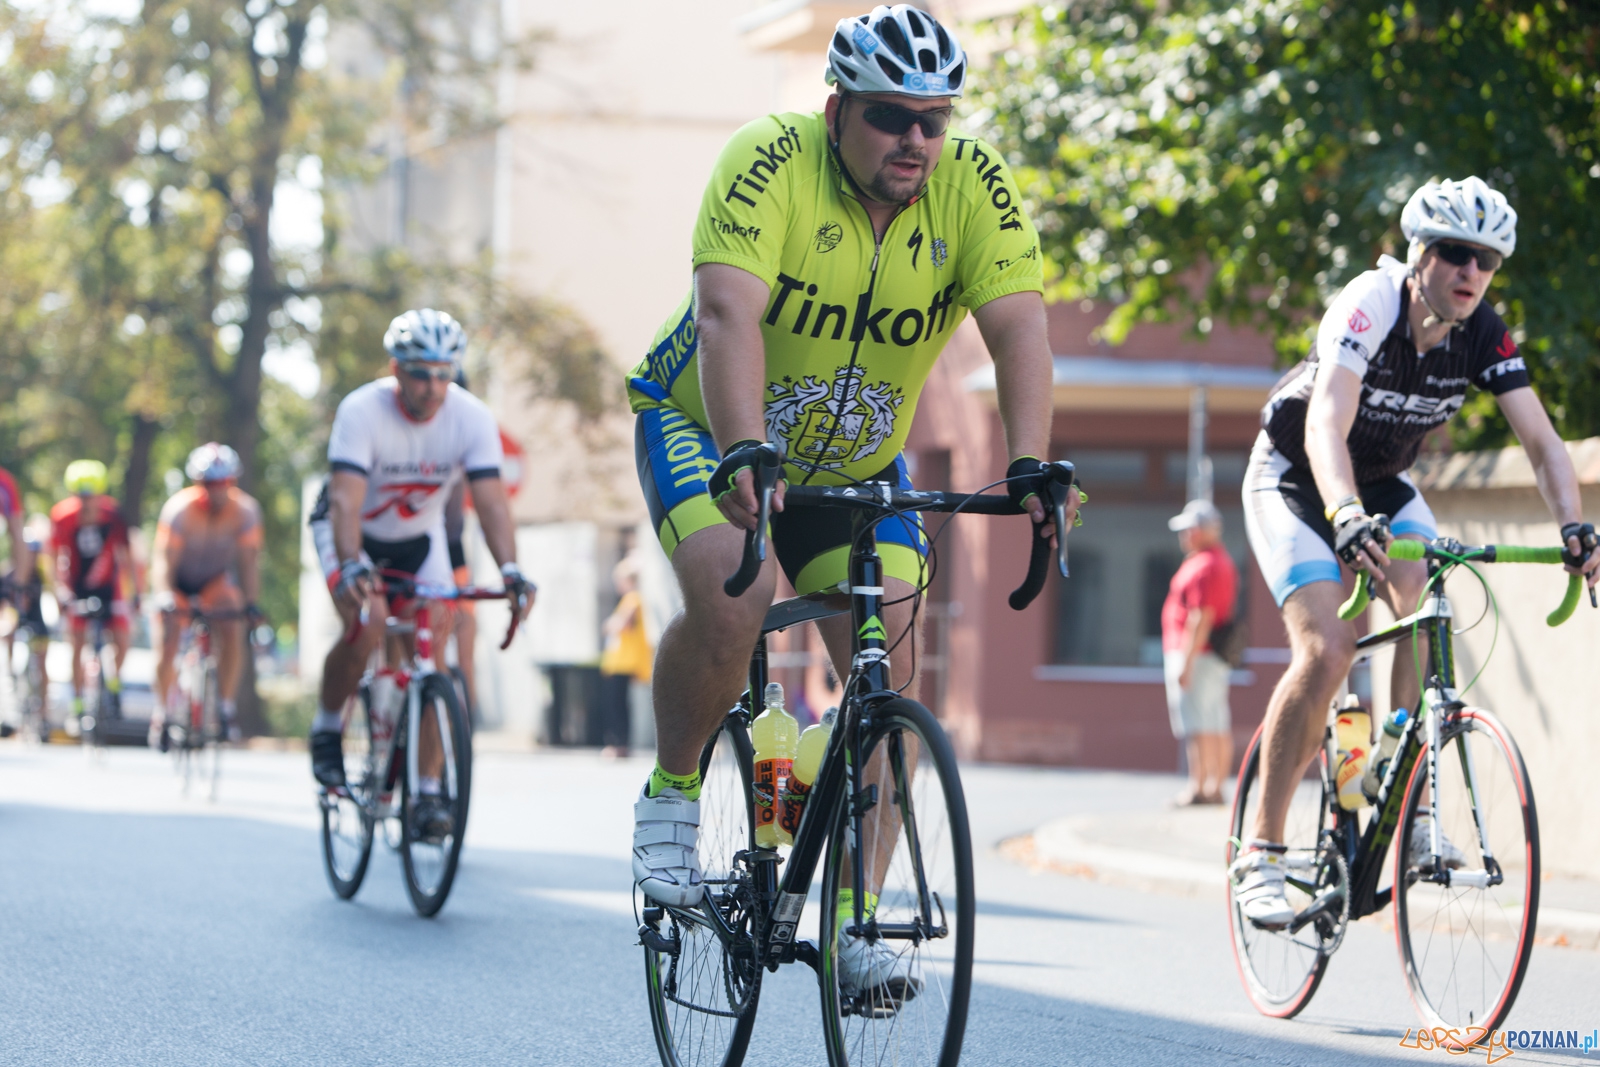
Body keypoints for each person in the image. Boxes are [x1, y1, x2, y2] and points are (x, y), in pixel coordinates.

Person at [625, 4, 1078, 995]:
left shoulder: (973, 187)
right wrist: (745, 442)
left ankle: (849, 924)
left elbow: (1019, 331)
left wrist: (1033, 459)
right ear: (837, 110)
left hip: (858, 461)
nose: (914, 139)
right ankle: (668, 794)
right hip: (706, 419)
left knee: (890, 661)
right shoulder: (769, 159)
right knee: (734, 603)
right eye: (888, 116)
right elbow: (725, 310)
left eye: (933, 119)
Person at [1231, 177, 1600, 928]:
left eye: (1488, 261)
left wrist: (1574, 526)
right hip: (1298, 477)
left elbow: (1540, 440)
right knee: (1330, 647)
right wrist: (1342, 513)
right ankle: (1261, 852)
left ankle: (1412, 804)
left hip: (1384, 484)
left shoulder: (1484, 332)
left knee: (1432, 607)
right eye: (1457, 255)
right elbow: (1325, 422)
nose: (1472, 273)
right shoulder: (1370, 303)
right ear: (1420, 255)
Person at [307, 308, 535, 841]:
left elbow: (492, 504)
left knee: (434, 646)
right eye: (418, 373)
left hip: (418, 539)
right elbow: (344, 500)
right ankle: (325, 730)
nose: (432, 387)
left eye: (443, 373)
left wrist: (510, 569)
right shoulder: (362, 410)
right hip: (352, 533)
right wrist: (350, 563)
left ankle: (427, 790)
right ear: (395, 369)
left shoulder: (472, 417)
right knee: (370, 620)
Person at [150, 443, 263, 746]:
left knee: (234, 620)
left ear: (233, 482)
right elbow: (163, 560)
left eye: (223, 483)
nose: (216, 490)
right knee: (168, 639)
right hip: (179, 581)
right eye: (209, 484)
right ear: (197, 483)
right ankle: (163, 711)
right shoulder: (179, 510)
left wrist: (251, 604)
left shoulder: (245, 511)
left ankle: (225, 707)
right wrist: (165, 595)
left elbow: (249, 561)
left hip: (214, 582)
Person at [1160, 499, 1238, 806]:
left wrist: (1186, 663)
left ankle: (1201, 787)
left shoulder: (1206, 565)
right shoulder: (1218, 561)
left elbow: (1200, 616)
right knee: (1214, 722)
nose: (1184, 535)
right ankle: (1213, 786)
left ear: (1202, 530)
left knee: (1199, 724)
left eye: (1189, 528)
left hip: (1198, 654)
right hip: (1208, 656)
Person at [49, 460, 135, 727]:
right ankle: (77, 705)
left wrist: (136, 593)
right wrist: (60, 592)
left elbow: (127, 555)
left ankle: (113, 683)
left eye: (91, 496)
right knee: (76, 644)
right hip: (77, 585)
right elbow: (53, 557)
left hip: (110, 586)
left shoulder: (114, 516)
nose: (86, 502)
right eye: (80, 496)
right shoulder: (62, 517)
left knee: (122, 638)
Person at [599, 553, 653, 757]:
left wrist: (610, 625)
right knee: (619, 705)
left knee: (618, 706)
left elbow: (619, 625)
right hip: (619, 662)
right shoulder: (629, 600)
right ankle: (619, 743)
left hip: (623, 663)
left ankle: (619, 744)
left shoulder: (632, 600)